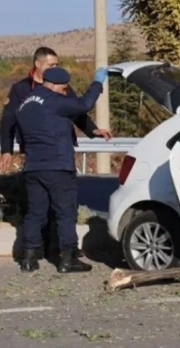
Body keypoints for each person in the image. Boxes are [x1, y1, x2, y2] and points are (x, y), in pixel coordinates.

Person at [15, 66, 112, 273]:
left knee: (35, 213)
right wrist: (97, 82)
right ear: (54, 85)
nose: (65, 92)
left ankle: (29, 258)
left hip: (33, 167)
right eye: (64, 88)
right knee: (66, 213)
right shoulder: (54, 100)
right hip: (58, 166)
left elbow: (21, 137)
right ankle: (68, 259)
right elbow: (83, 104)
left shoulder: (25, 104)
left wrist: (92, 131)